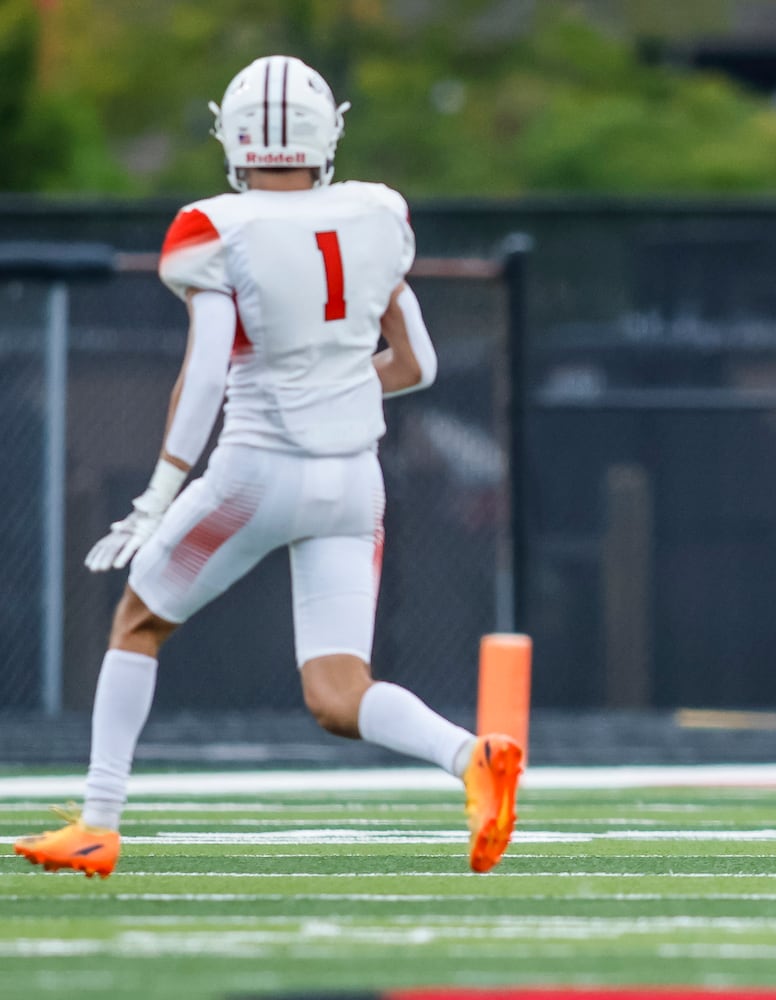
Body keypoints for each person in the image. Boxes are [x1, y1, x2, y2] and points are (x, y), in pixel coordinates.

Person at [15, 55, 522, 877]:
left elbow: (210, 371)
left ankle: (98, 823)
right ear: (329, 135)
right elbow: (418, 362)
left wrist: (159, 490)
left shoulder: (215, 228)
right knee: (337, 691)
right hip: (355, 480)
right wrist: (334, 390)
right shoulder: (376, 214)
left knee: (137, 622)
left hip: (257, 468)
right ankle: (471, 755)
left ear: (233, 139)